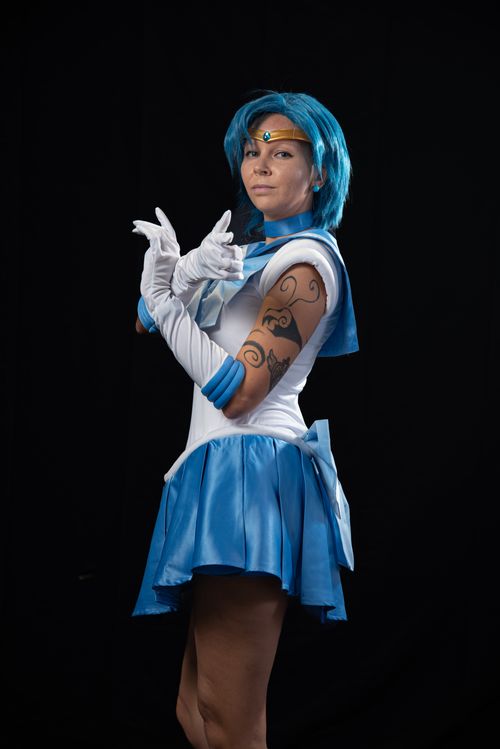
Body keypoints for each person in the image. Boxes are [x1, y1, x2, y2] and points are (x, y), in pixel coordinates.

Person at [130, 89, 359, 749]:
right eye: (252, 151)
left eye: (281, 152)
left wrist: (169, 303)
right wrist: (179, 275)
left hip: (254, 474)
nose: (260, 164)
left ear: (319, 171)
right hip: (218, 467)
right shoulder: (247, 252)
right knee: (195, 709)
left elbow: (240, 394)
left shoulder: (307, 267)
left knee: (230, 720)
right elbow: (143, 320)